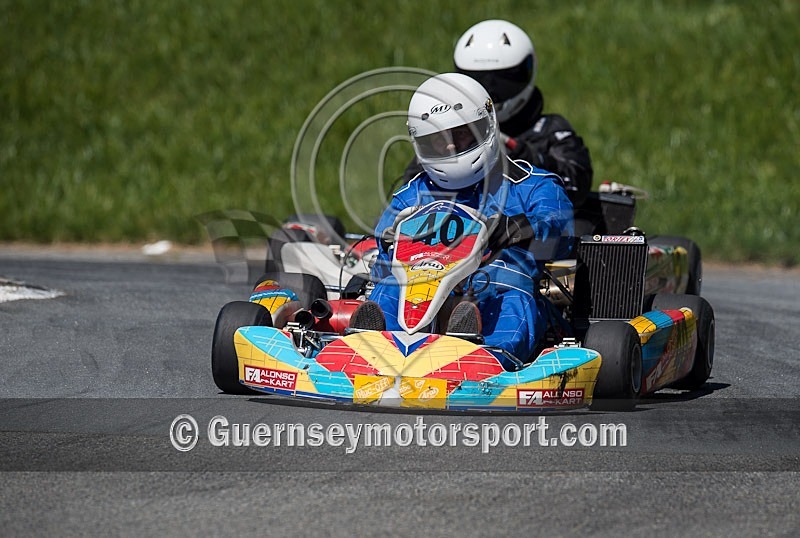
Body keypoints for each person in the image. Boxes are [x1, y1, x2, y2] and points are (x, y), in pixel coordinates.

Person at [351, 73, 574, 367]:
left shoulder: (530, 184)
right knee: (390, 284)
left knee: (509, 290)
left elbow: (561, 226)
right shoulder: (413, 194)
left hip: (495, 284)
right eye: (436, 139)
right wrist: (389, 241)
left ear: (486, 126)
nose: (449, 147)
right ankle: (370, 348)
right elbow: (384, 241)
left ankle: (484, 355)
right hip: (422, 283)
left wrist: (522, 227)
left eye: (460, 134)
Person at [402, 19, 593, 209]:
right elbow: (411, 191)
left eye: (502, 82)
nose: (489, 92)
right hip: (461, 229)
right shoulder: (445, 141)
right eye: (478, 81)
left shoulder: (550, 130)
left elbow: (577, 184)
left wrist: (525, 156)